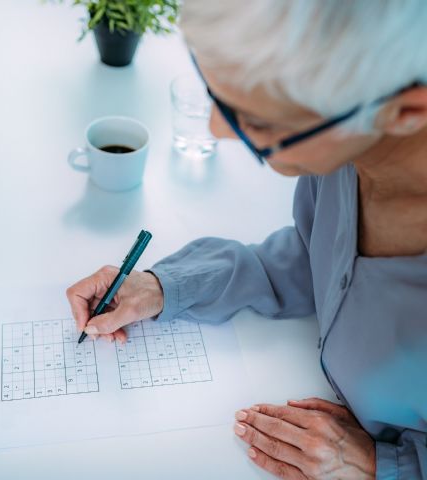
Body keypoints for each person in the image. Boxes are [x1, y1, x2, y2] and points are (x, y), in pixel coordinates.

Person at [66, 1, 427, 478]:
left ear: (405, 111)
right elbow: (316, 257)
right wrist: (165, 286)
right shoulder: (349, 150)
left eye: (259, 122)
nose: (217, 129)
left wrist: (388, 466)